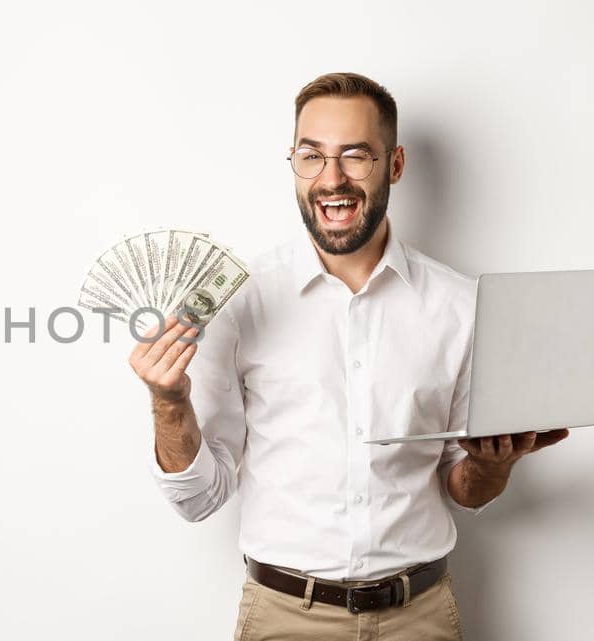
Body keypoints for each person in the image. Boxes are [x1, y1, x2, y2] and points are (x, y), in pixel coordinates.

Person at [127, 72, 570, 640]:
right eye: (310, 156)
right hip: (284, 620)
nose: (330, 179)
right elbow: (199, 499)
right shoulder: (235, 301)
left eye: (356, 156)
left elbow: (463, 488)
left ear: (396, 164)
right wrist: (169, 403)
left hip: (421, 617)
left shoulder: (462, 307)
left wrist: (489, 465)